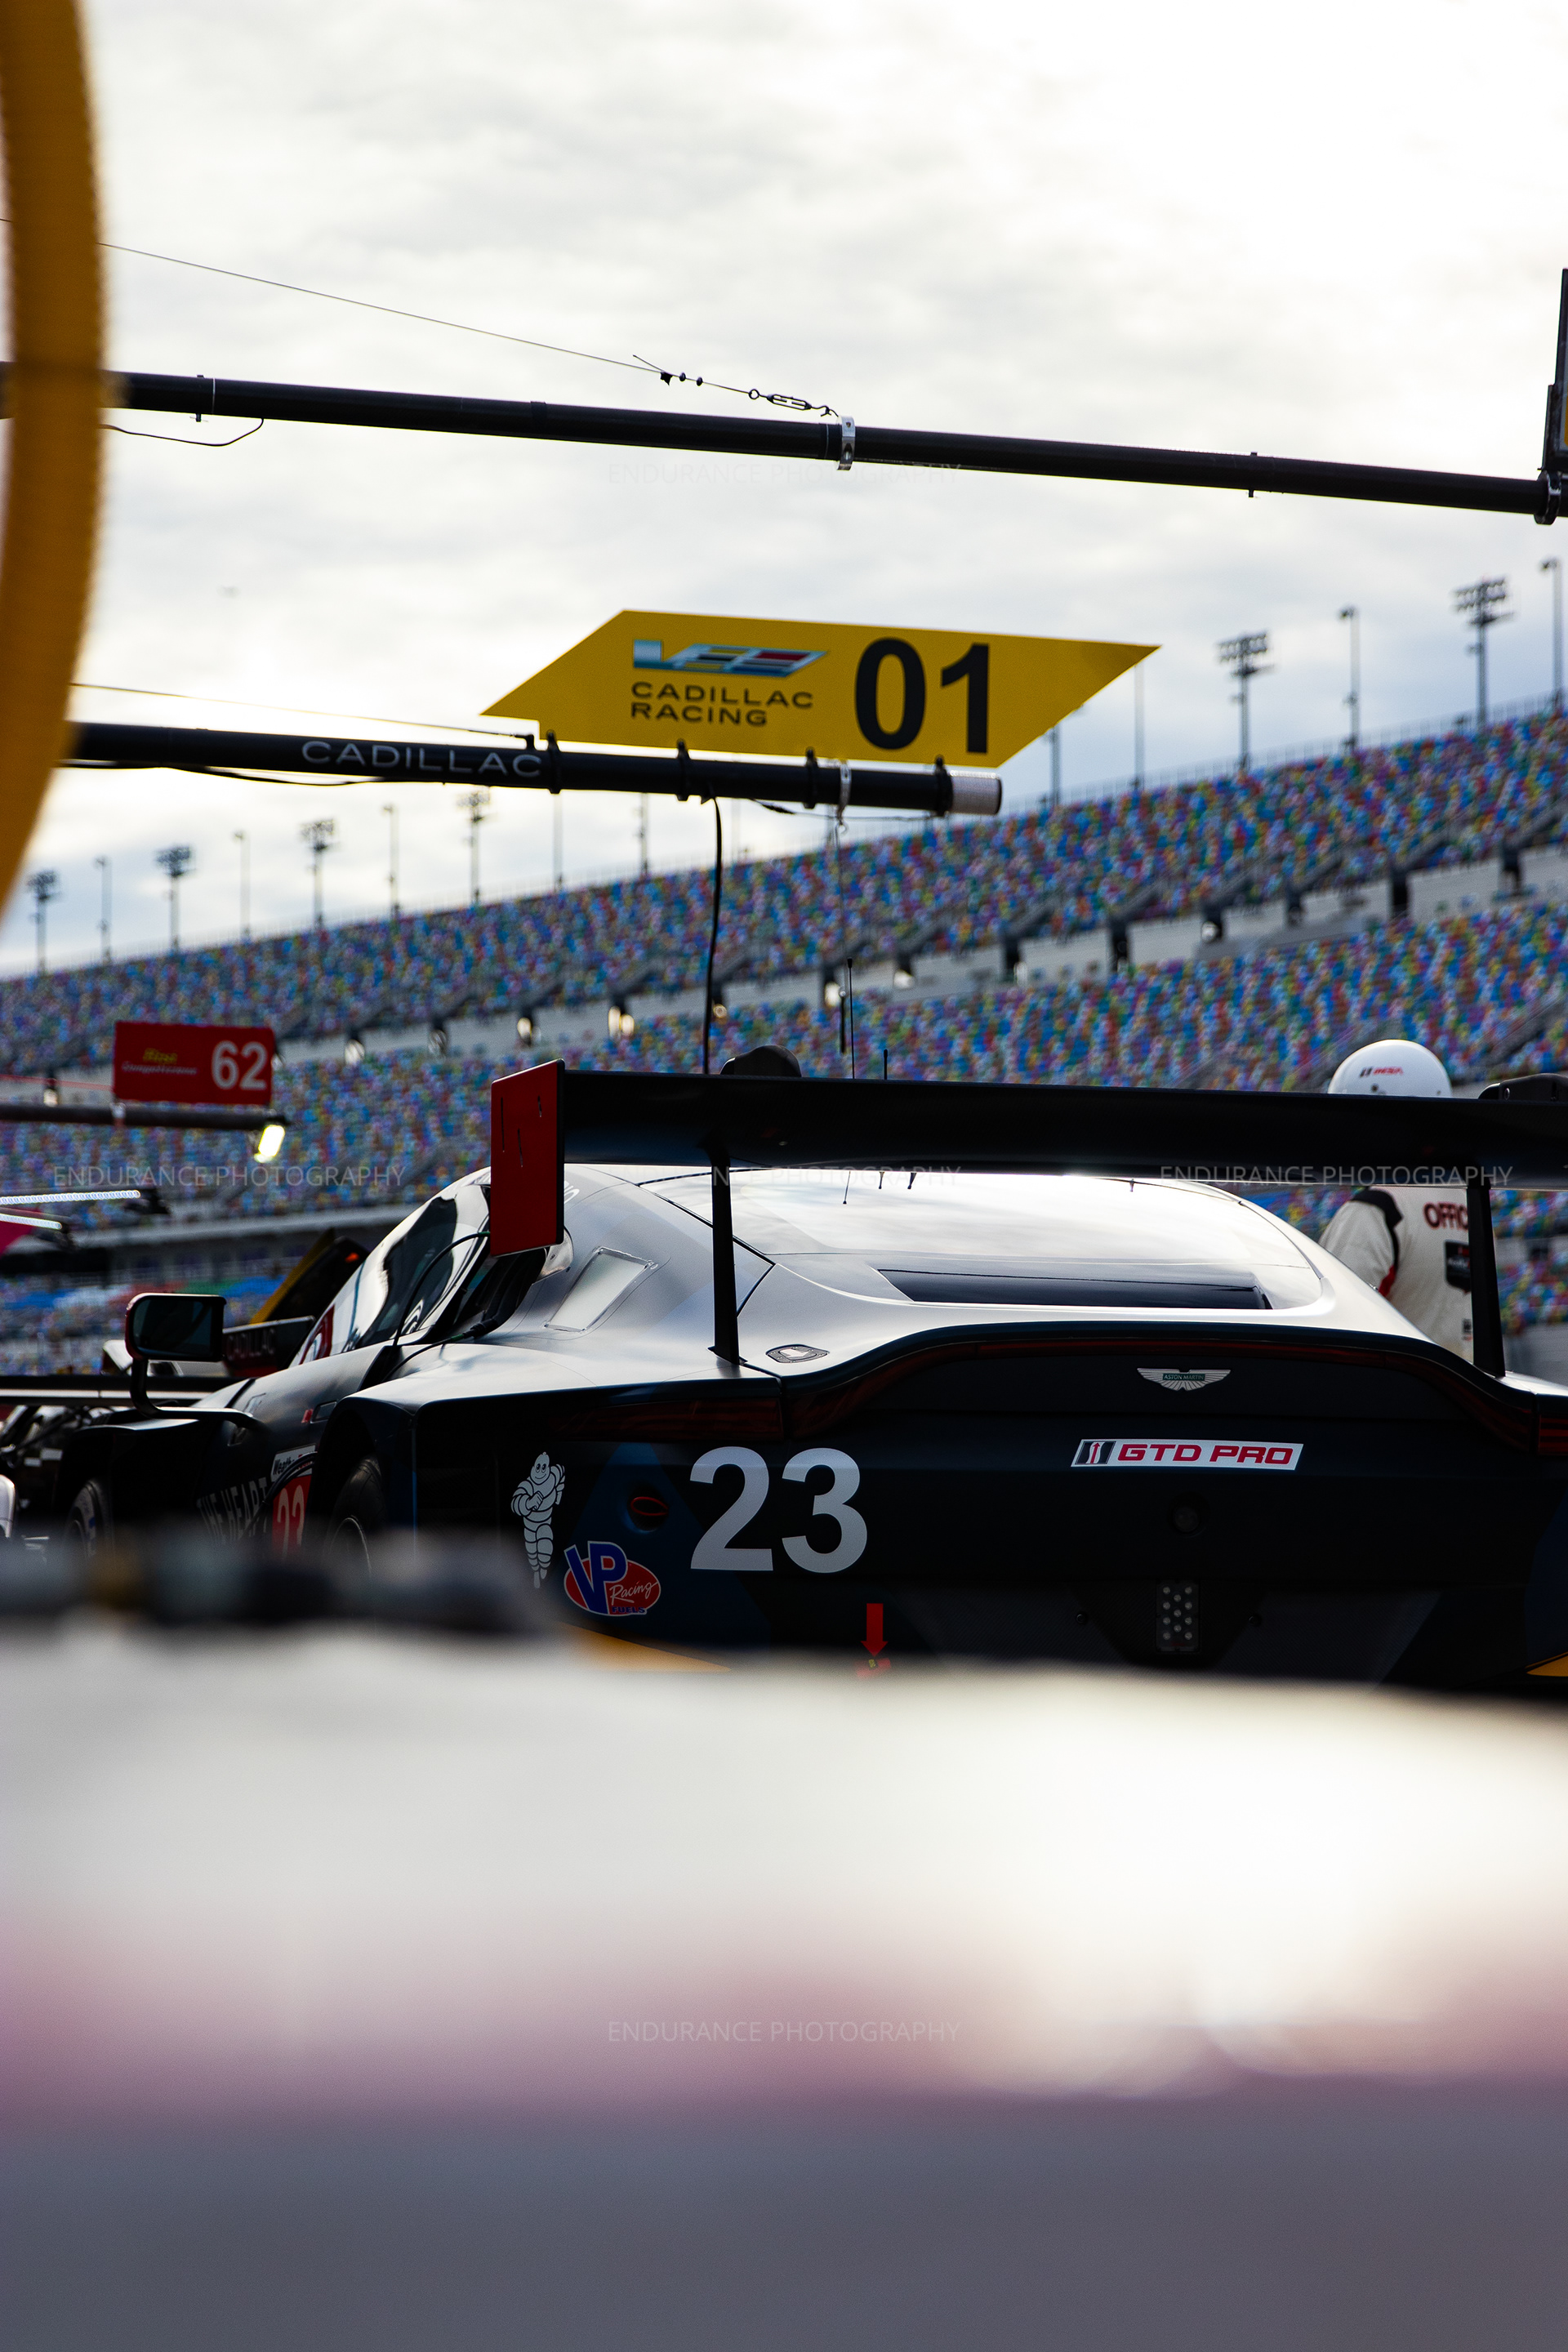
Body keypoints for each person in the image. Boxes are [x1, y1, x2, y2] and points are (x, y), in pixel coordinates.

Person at [1317, 1038, 1472, 1360]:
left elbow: (1334, 1330)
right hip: (1463, 1385)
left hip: (1394, 1387)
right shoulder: (1470, 1204)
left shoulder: (1377, 1210)